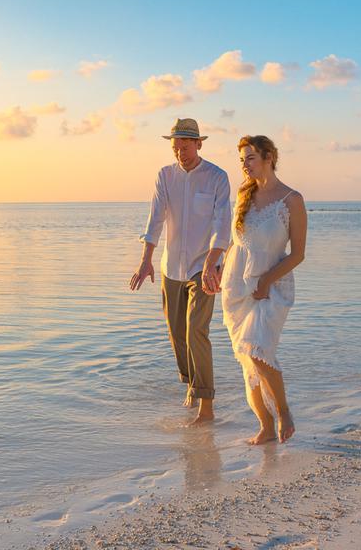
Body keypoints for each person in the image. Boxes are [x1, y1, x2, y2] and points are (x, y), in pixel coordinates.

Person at [129, 118, 232, 426]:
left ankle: (206, 405)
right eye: (175, 148)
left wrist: (214, 260)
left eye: (185, 147)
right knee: (177, 335)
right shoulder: (165, 176)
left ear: (198, 144)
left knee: (195, 331)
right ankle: (191, 383)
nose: (180, 153)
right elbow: (155, 219)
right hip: (171, 267)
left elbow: (222, 222)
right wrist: (146, 258)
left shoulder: (217, 177)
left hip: (204, 267)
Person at [221, 135, 306, 444]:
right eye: (241, 159)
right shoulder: (244, 195)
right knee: (246, 357)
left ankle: (283, 412)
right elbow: (235, 242)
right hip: (237, 286)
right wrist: (215, 268)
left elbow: (298, 253)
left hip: (271, 286)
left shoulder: (291, 200)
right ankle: (265, 426)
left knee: (258, 350)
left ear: (269, 156)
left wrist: (266, 281)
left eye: (250, 158)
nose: (244, 165)